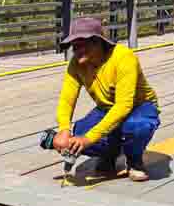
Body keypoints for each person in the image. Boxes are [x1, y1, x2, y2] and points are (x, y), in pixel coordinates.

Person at [52, 16, 161, 182]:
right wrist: (64, 129)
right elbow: (66, 100)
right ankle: (109, 155)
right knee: (78, 134)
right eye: (74, 46)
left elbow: (124, 106)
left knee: (137, 127)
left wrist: (89, 139)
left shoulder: (123, 57)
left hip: (139, 106)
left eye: (81, 45)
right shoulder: (76, 64)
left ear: (97, 42)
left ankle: (134, 160)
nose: (76, 51)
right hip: (107, 108)